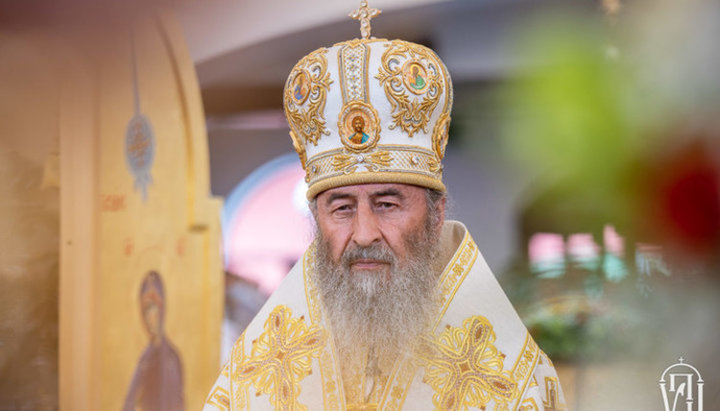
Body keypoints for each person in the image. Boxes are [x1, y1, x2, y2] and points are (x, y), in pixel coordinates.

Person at [204, 4, 566, 410]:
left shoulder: (510, 381)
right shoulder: (257, 376)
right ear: (316, 219)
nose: (363, 233)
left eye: (387, 204)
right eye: (341, 208)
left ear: (436, 214)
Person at [124, 271, 185, 411]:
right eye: (145, 310)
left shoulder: (172, 358)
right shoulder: (145, 359)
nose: (150, 317)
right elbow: (130, 402)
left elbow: (179, 403)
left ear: (162, 310)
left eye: (154, 308)